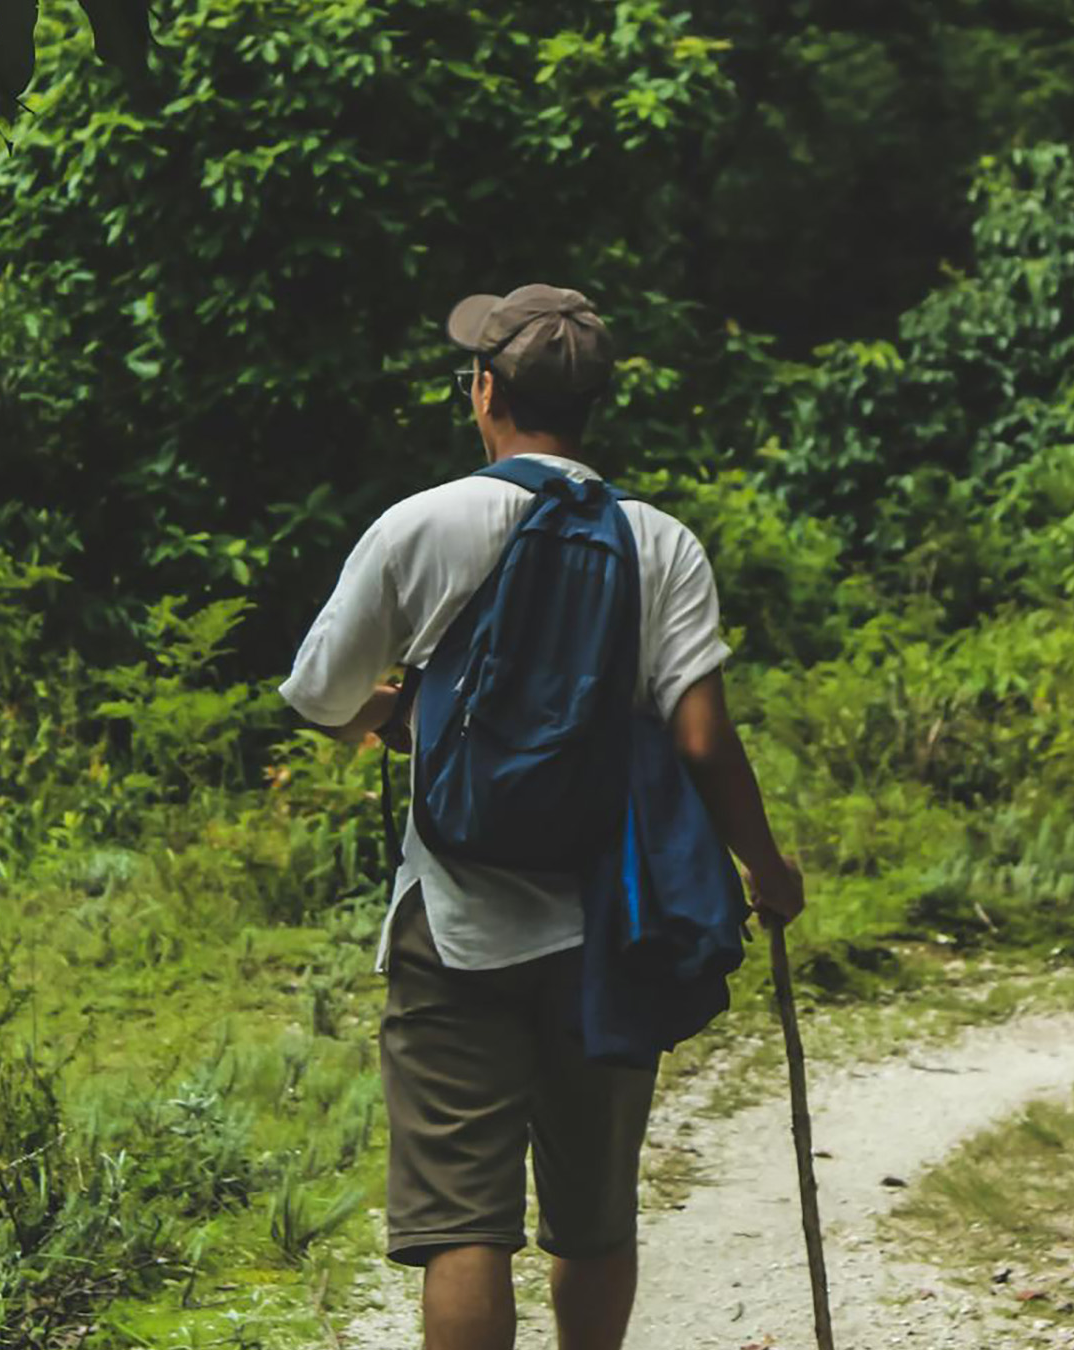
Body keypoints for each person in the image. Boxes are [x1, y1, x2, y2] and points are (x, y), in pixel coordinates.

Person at [277, 283, 805, 1350]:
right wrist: (765, 865)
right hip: (611, 925)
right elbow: (703, 739)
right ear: (596, 403)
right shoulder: (659, 543)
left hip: (452, 922)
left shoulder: (419, 525)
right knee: (593, 1220)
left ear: (485, 392)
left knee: (463, 1228)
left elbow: (318, 697)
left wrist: (398, 714)